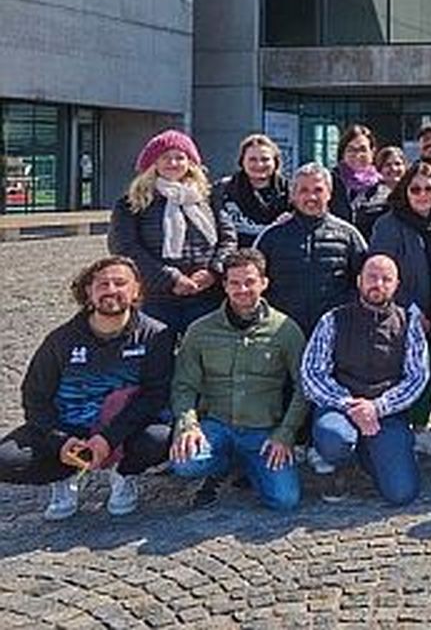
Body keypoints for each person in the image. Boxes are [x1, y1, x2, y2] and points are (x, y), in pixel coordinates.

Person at [0, 256, 172, 520]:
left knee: (160, 439)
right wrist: (61, 441)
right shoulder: (61, 339)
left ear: (136, 289)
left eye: (120, 283)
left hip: (124, 429)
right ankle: (65, 473)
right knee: (6, 458)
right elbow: (35, 398)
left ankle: (123, 474)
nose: (111, 290)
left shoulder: (155, 335)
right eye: (103, 284)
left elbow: (155, 395)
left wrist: (108, 438)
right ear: (88, 291)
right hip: (69, 429)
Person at [169, 249, 306, 511]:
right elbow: (184, 385)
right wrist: (188, 425)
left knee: (284, 500)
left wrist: (285, 434)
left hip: (263, 431)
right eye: (234, 283)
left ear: (264, 283)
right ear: (224, 286)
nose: (242, 289)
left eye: (250, 282)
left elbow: (303, 387)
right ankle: (222, 466)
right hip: (216, 425)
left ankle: (250, 466)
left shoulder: (286, 330)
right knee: (185, 463)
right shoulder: (200, 331)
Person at [300, 254, 429, 505]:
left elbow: (417, 377)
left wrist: (377, 407)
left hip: (386, 410)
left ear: (396, 285)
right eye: (372, 277)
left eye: (386, 279)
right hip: (340, 407)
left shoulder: (409, 323)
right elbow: (312, 374)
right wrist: (350, 405)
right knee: (334, 440)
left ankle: (370, 454)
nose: (378, 284)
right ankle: (338, 464)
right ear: (359, 281)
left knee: (402, 493)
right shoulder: (333, 319)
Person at [368, 162, 431, 458]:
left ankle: (424, 428)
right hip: (408, 311)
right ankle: (406, 431)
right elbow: (382, 272)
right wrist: (410, 308)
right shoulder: (390, 224)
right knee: (411, 372)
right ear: (405, 191)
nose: (423, 195)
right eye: (416, 189)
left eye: (430, 189)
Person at [108, 129, 236, 341]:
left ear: (190, 162)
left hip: (205, 294)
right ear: (153, 163)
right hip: (156, 297)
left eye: (180, 157)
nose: (173, 163)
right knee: (157, 355)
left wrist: (214, 270)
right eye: (165, 157)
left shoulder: (207, 198)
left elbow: (228, 239)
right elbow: (124, 247)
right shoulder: (132, 202)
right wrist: (171, 278)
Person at [255, 163, 367, 341]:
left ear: (329, 193)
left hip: (334, 333)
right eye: (303, 190)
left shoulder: (349, 236)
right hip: (281, 334)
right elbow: (255, 284)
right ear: (293, 195)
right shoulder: (271, 236)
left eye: (318, 190)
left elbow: (363, 283)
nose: (311, 197)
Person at [212, 133, 290, 248]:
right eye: (252, 159)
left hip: (277, 259)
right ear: (242, 161)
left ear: (275, 162)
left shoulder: (291, 193)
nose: (259, 164)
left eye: (265, 159)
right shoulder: (222, 190)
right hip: (235, 260)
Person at [329, 124, 383, 228]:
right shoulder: (329, 183)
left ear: (372, 152)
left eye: (363, 149)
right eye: (351, 149)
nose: (357, 155)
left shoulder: (382, 187)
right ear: (343, 153)